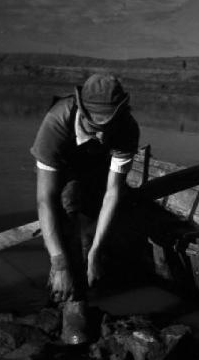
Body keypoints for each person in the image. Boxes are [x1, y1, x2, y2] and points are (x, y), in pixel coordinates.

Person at [30, 74, 140, 344]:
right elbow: (46, 199)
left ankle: (80, 267)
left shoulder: (126, 129)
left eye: (109, 126)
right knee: (68, 205)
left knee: (91, 216)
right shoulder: (56, 123)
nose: (102, 134)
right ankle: (73, 298)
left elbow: (113, 193)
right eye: (95, 126)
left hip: (97, 165)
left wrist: (95, 253)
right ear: (81, 110)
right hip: (64, 163)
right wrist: (60, 263)